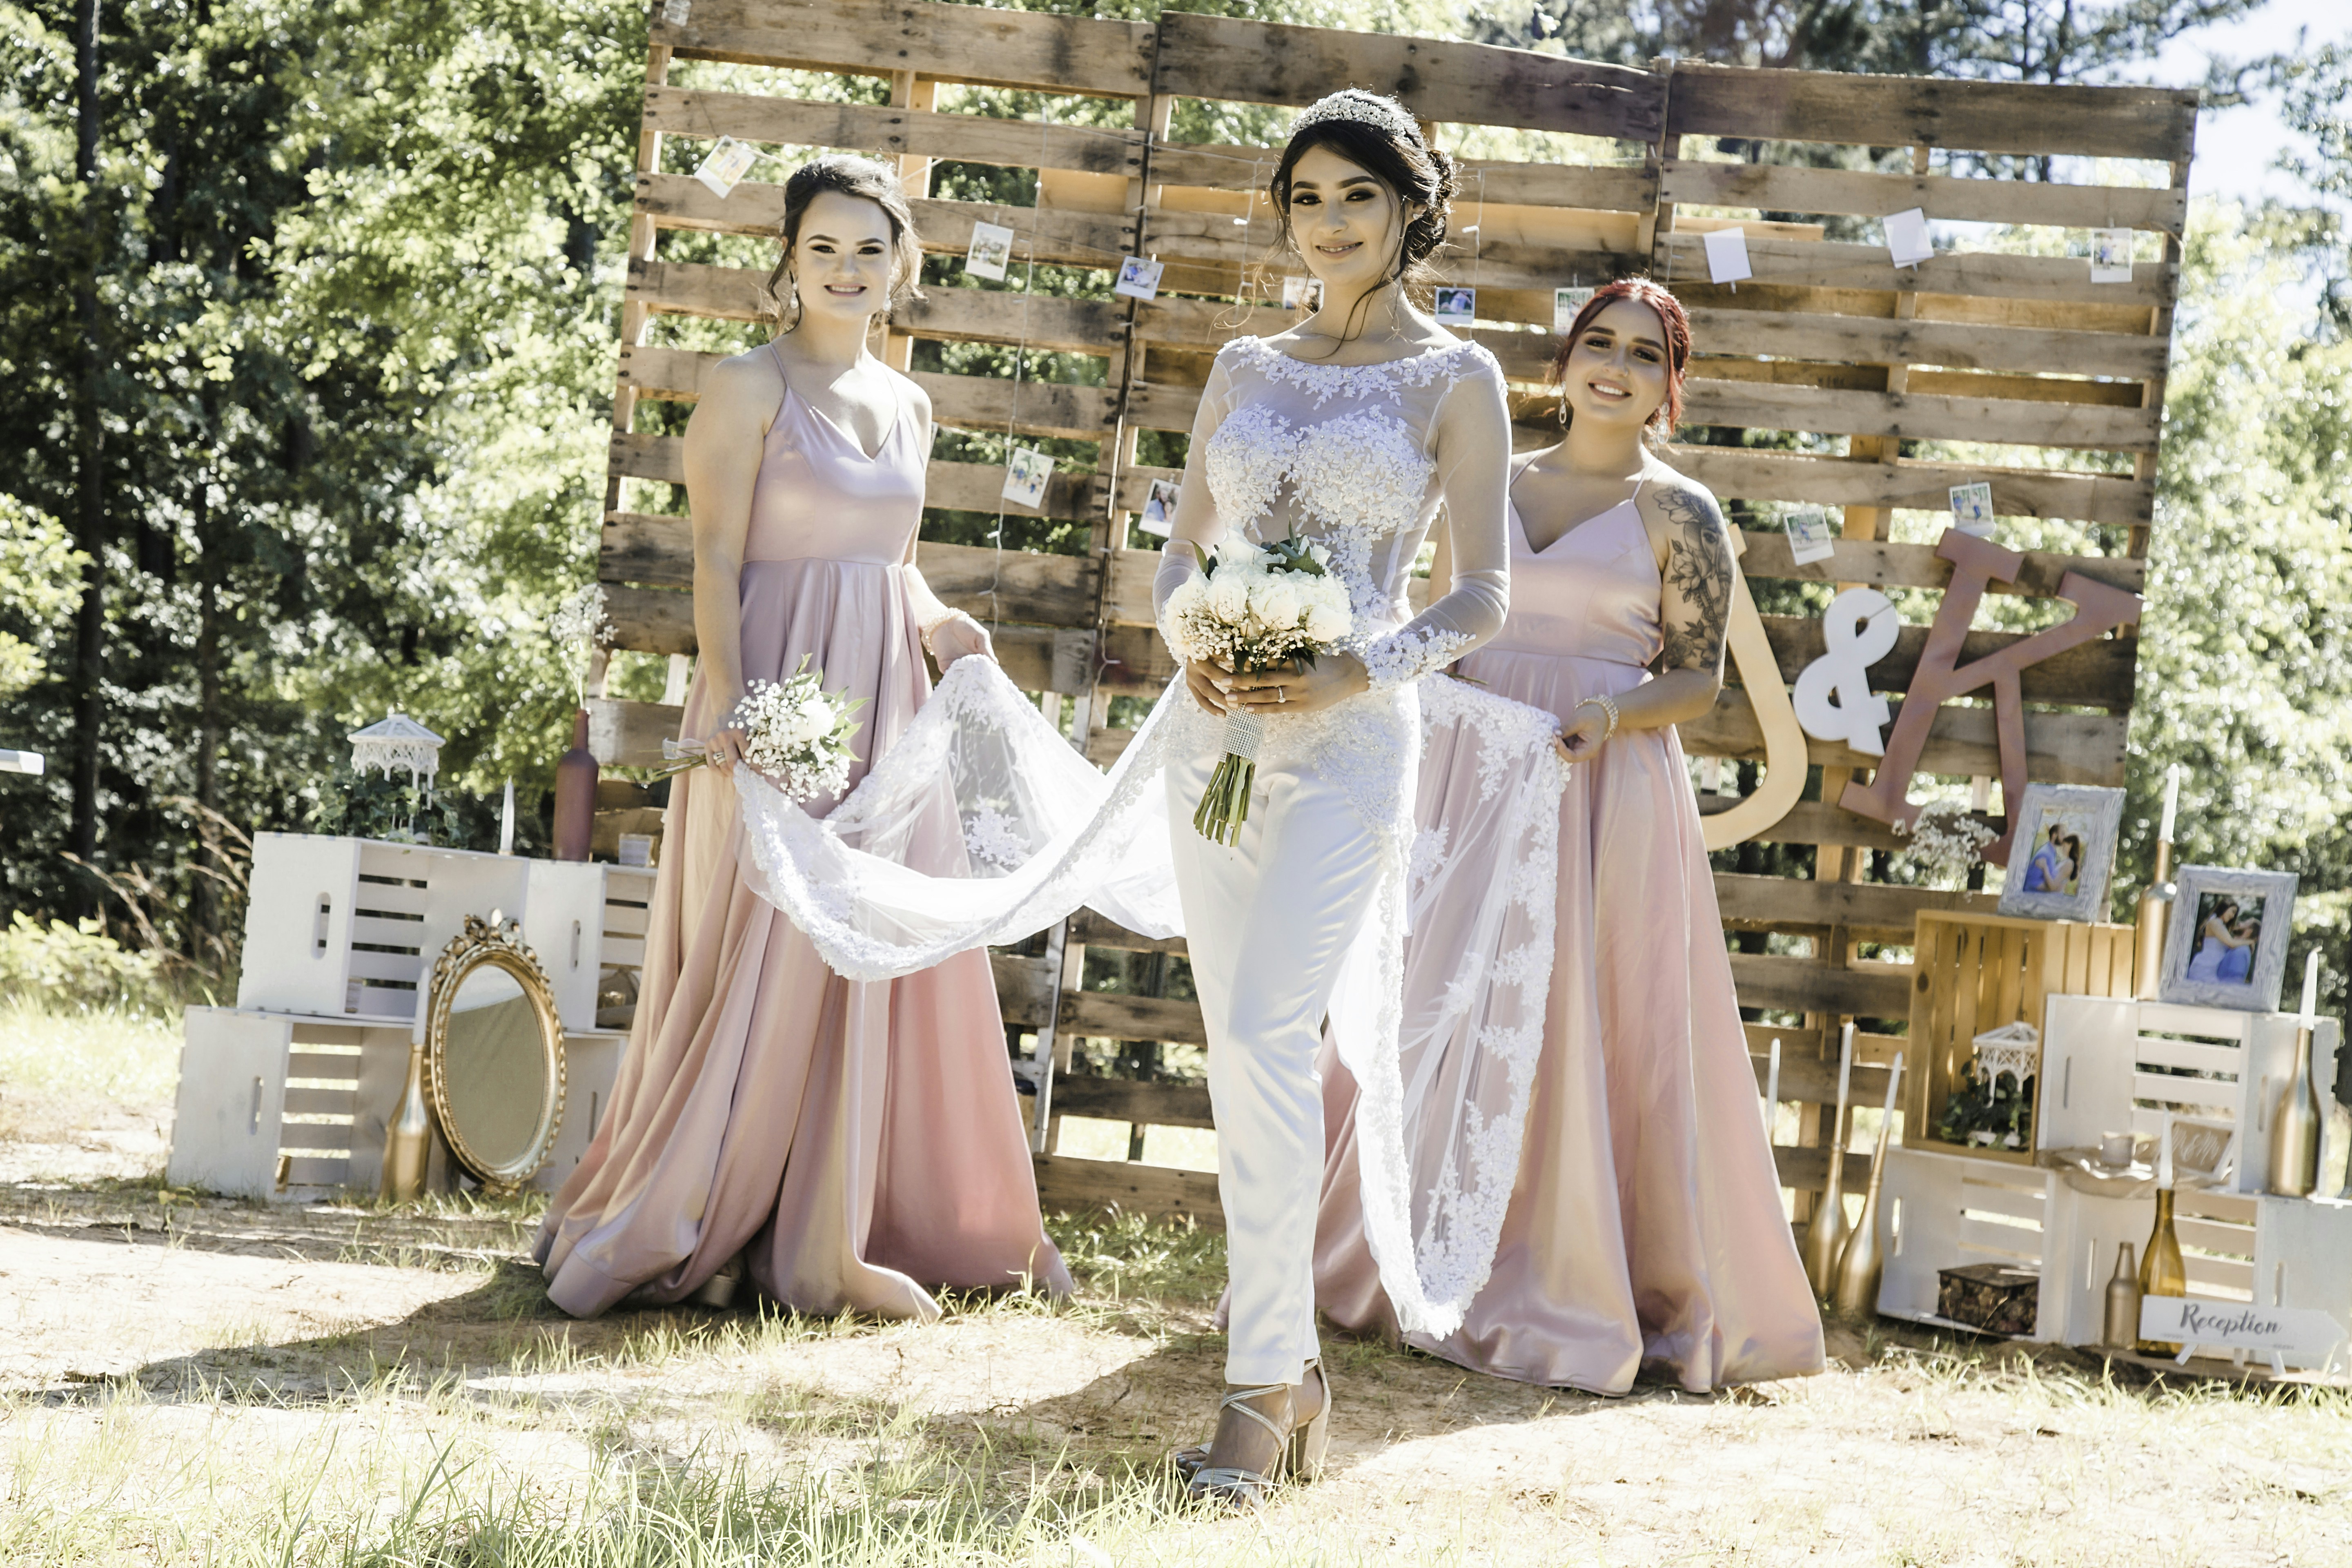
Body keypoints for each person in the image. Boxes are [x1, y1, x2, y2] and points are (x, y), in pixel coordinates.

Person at [534, 155, 1072, 1319]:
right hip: (777, 689)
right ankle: (722, 1204)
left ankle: (869, 1209)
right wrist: (733, 702)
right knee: (765, 938)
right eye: (822, 247)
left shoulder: (913, 402)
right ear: (788, 260)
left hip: (885, 699)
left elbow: (894, 563)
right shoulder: (747, 385)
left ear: (903, 267)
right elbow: (717, 556)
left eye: (869, 249)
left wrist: (942, 624)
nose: (846, 268)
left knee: (871, 937)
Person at [1315, 278, 1824, 1393]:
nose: (1617, 365)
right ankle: (1391, 1255)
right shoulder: (1486, 480)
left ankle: (1570, 1270)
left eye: (1645, 354)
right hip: (1467, 776)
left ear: (1668, 387)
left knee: (1578, 1019)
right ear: (1566, 359)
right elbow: (1439, 622)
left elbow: (1695, 678)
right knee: (1434, 1003)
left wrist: (1610, 715)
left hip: (1600, 780)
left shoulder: (1681, 512)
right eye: (1600, 342)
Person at [1148, 89, 1516, 1507]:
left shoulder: (1455, 380)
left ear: (1410, 209)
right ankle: (1285, 1375)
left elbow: (1484, 594)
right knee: (1241, 1064)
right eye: (1306, 199)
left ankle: (1258, 1389)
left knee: (1263, 1029)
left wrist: (1355, 672)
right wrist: (1198, 647)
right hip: (1216, 738)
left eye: (1357, 196)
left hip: (1352, 741)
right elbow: (1183, 550)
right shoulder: (1243, 361)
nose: (1330, 223)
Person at [2185, 898, 2253, 984]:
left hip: (2213, 969)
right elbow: (2231, 944)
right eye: (2233, 911)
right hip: (2205, 968)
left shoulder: (2221, 925)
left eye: (2235, 914)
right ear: (2225, 908)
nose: (2233, 916)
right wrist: (2250, 941)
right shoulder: (2215, 923)